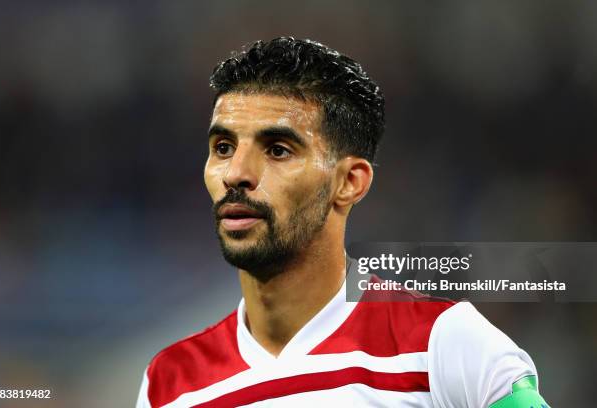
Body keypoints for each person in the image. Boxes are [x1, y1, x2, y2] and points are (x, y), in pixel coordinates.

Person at [136, 37, 549, 408]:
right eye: (223, 147)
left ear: (349, 182)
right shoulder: (170, 385)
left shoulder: (443, 346)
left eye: (278, 150)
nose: (235, 173)